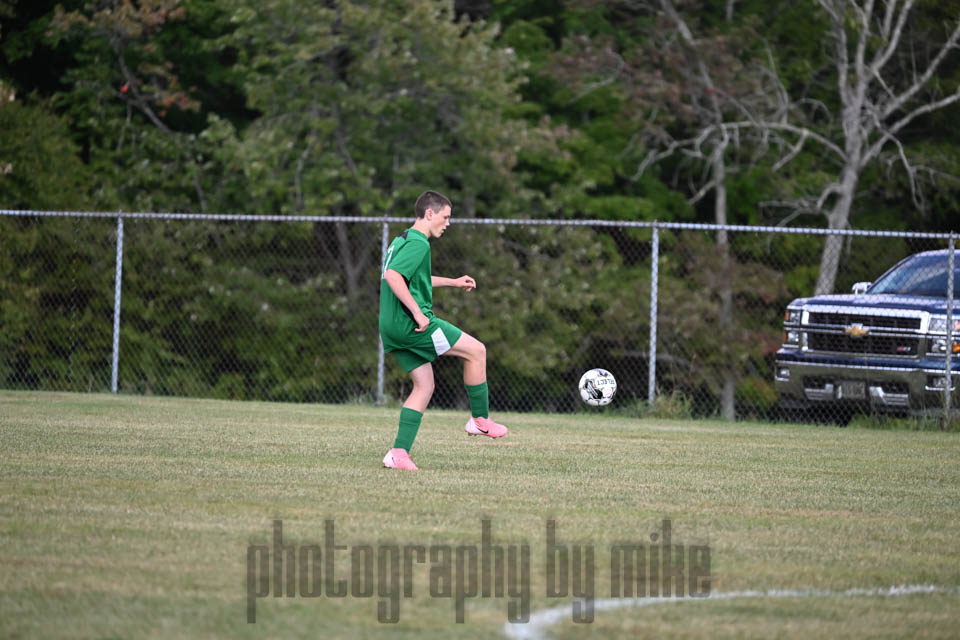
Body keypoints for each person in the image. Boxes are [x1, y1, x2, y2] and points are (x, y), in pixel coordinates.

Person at [379, 190, 508, 470]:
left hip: (390, 327)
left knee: (425, 385)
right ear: (429, 213)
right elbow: (392, 276)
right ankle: (479, 420)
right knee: (476, 351)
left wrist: (453, 281)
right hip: (409, 324)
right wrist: (416, 312)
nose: (448, 223)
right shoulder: (419, 244)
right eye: (445, 217)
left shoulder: (403, 239)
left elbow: (414, 278)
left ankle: (398, 453)